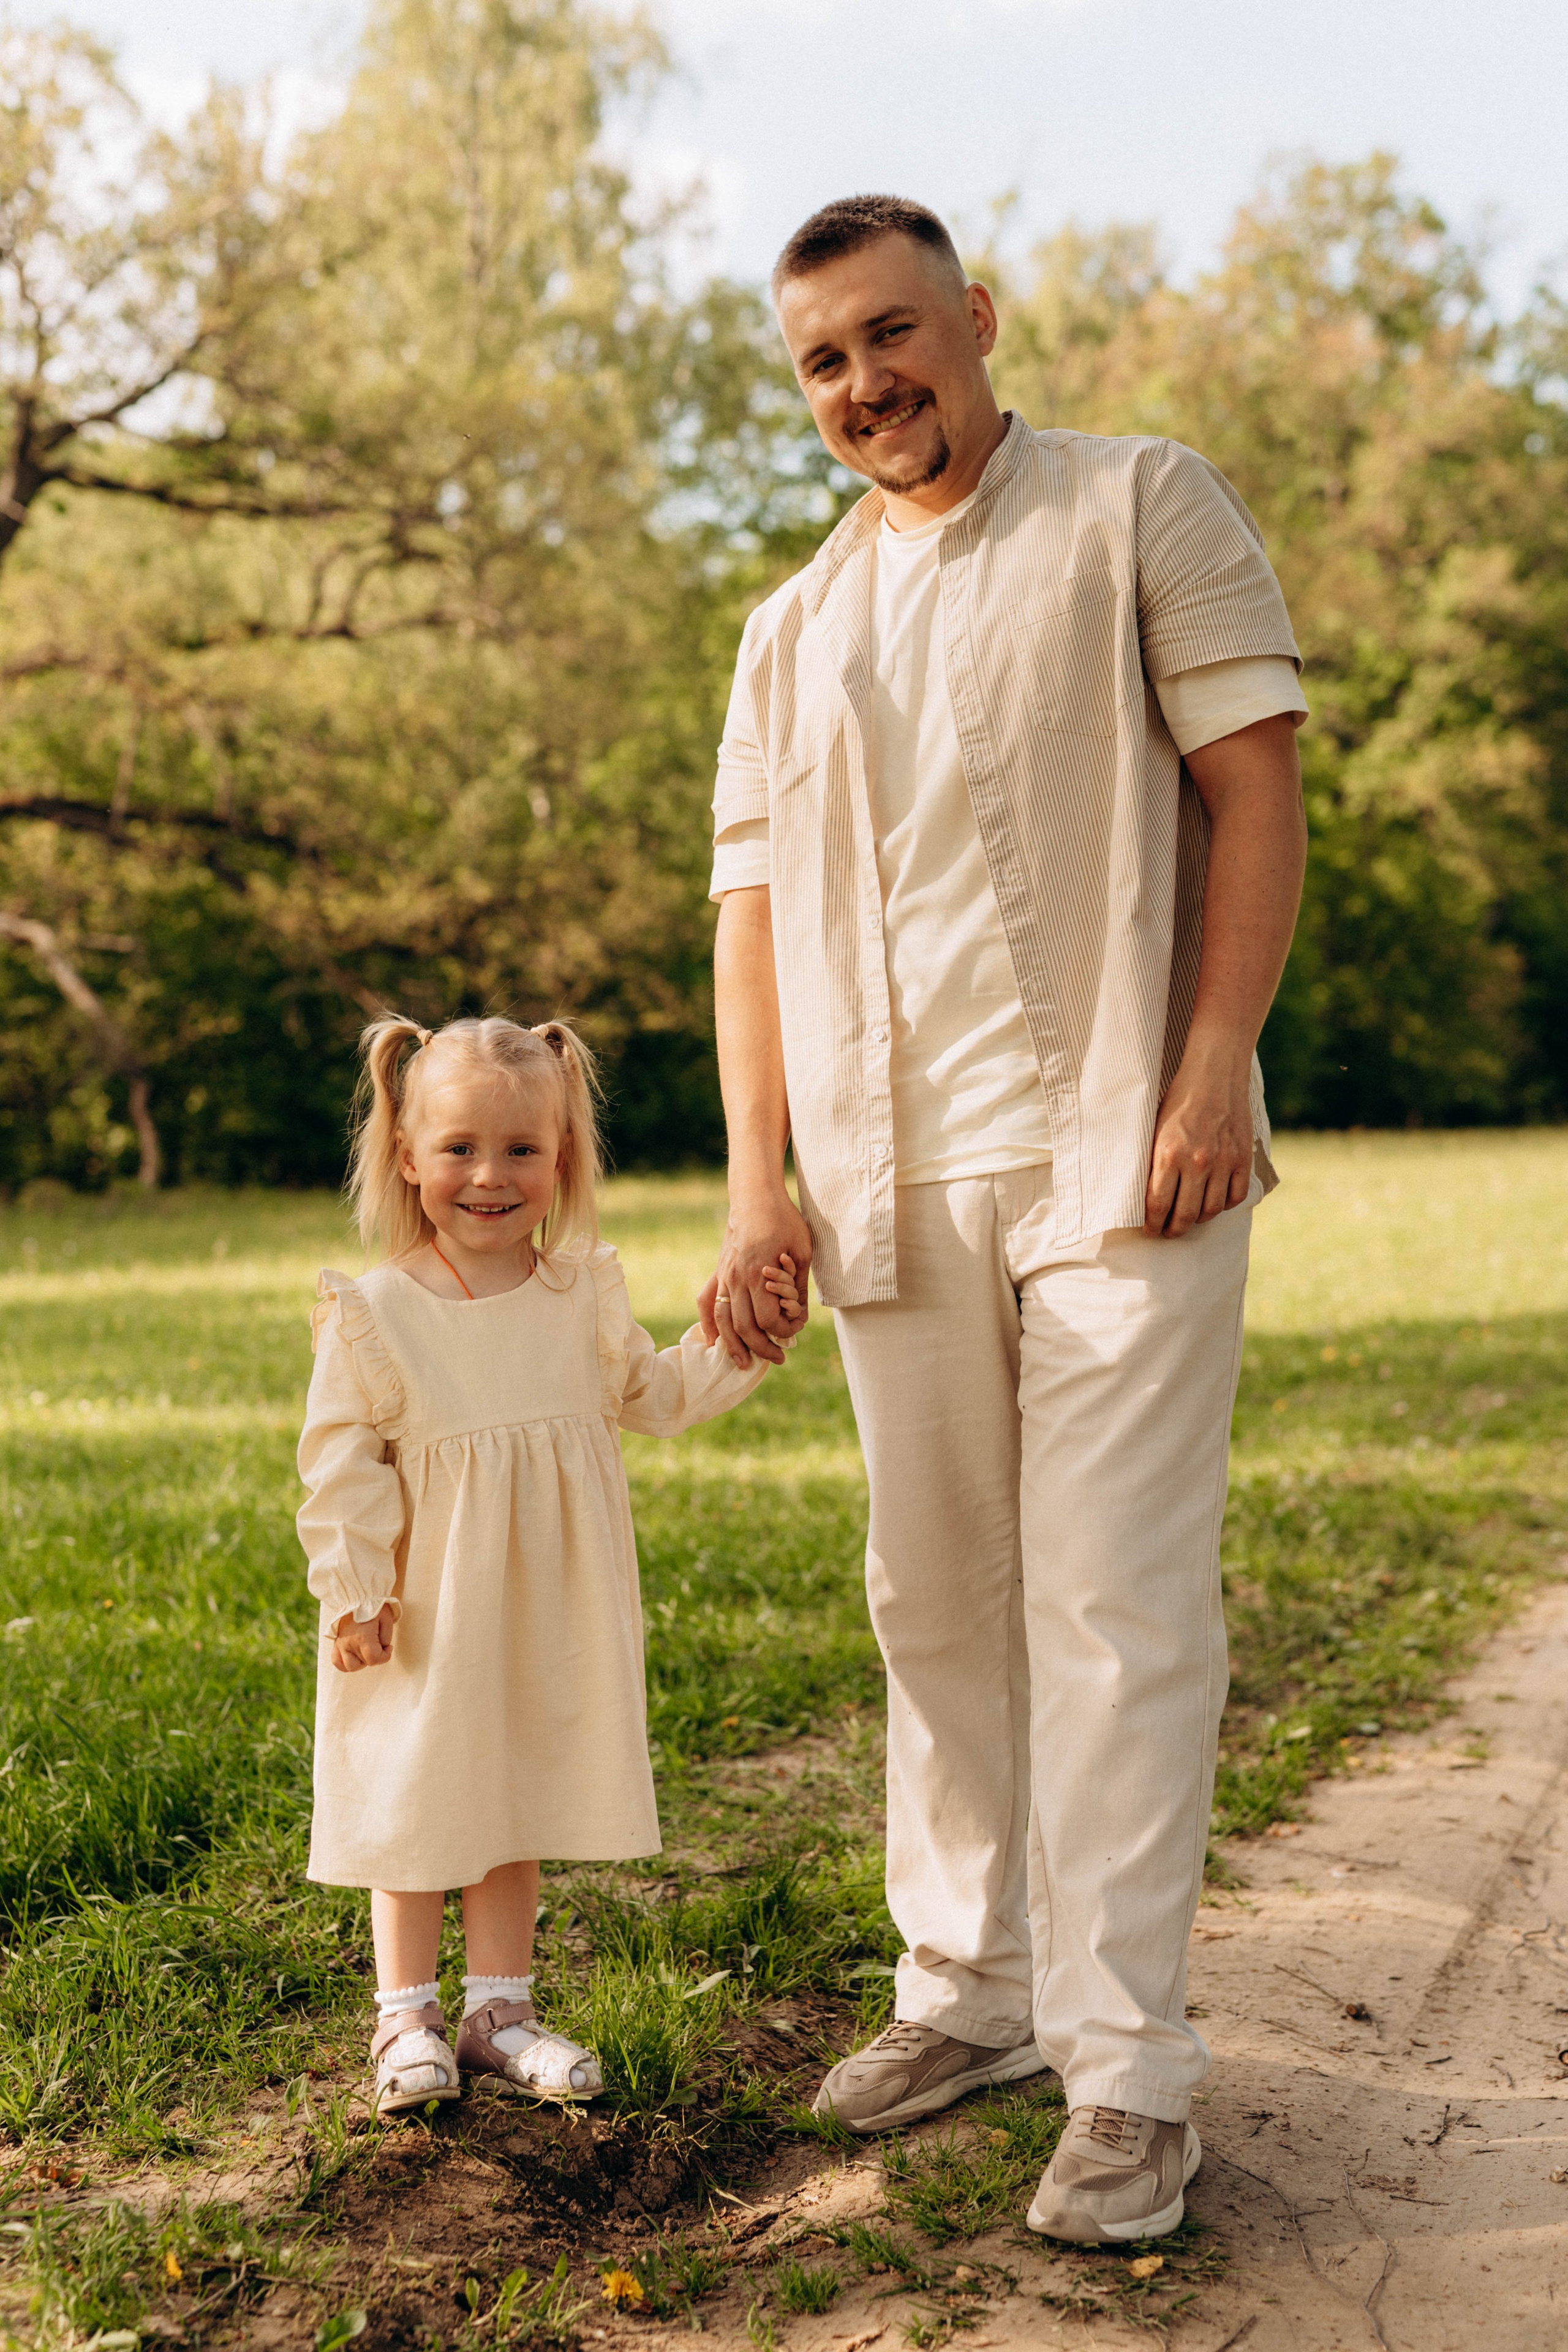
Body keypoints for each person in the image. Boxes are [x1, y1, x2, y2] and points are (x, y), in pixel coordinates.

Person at [699, 194, 1308, 2244]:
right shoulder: (788, 632)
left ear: (976, 319)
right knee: (936, 1604)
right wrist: (759, 1181)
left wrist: (1215, 1058)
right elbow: (752, 926)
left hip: (1121, 1153)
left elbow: (1257, 784)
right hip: (886, 1183)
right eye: (823, 362)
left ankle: (1131, 2076)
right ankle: (975, 1991)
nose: (866, 383)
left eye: (893, 335)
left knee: (1116, 1609)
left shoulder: (1142, 503)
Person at [298, 1012, 800, 2116]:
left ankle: (500, 2013)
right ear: (406, 1156)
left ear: (562, 1157)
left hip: (539, 1610)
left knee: (510, 1792)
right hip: (426, 1615)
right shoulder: (377, 1313)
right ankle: (405, 2017)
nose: (491, 1176)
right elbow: (343, 1465)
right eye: (460, 1150)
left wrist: (742, 1340)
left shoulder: (581, 1296)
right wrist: (356, 1588)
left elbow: (656, 1396)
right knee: (423, 1796)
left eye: (522, 1149)